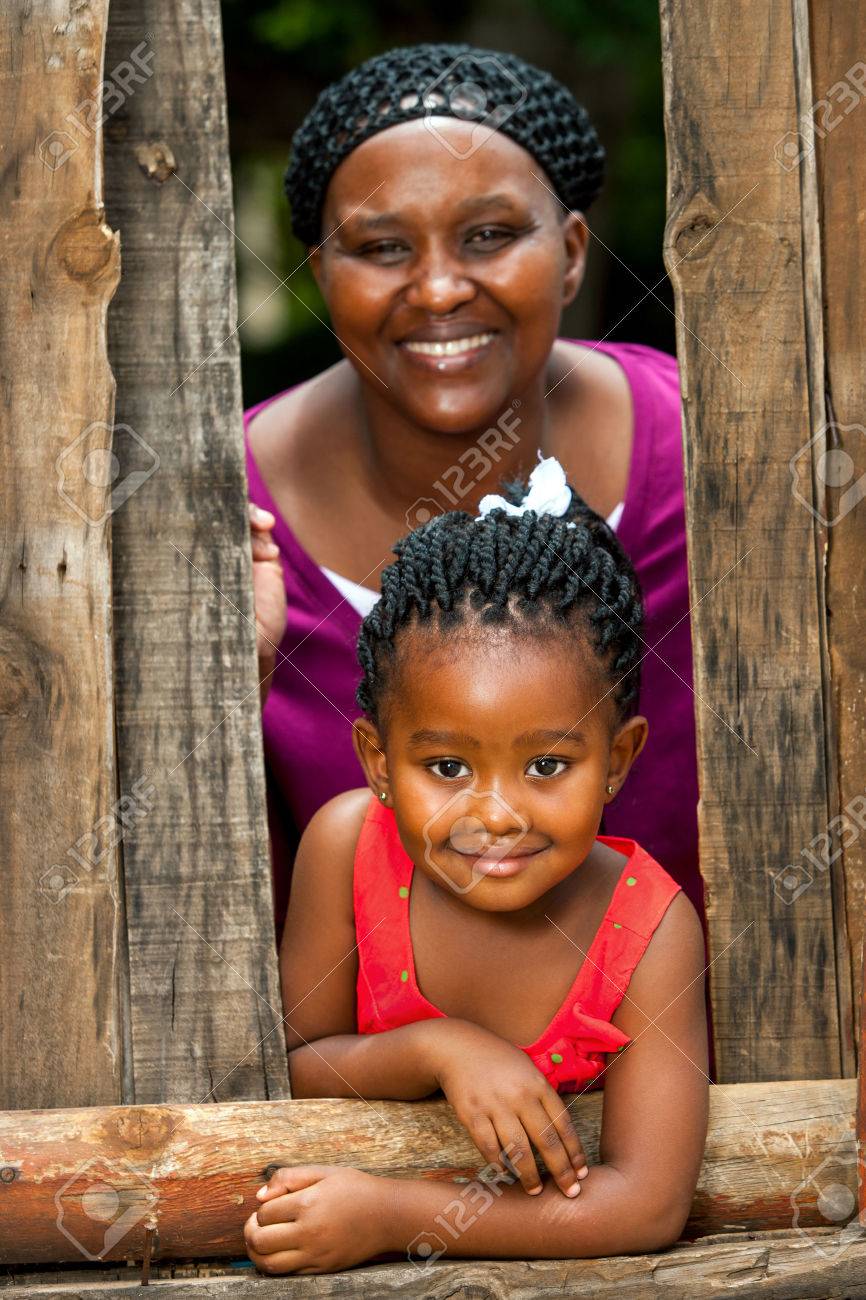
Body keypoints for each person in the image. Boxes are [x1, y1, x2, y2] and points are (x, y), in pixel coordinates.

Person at [246, 42, 702, 951]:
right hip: (374, 1075)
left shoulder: (712, 461)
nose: (442, 289)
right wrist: (225, 687)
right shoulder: (222, 520)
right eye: (381, 248)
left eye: (490, 235)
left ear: (572, 253)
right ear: (321, 274)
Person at [243, 460, 709, 1275]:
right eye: (449, 768)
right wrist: (442, 1050)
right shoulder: (349, 847)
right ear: (378, 761)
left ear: (619, 759)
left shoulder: (651, 931)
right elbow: (289, 1065)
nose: (495, 815)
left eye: (547, 766)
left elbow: (647, 1202)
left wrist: (393, 1216)